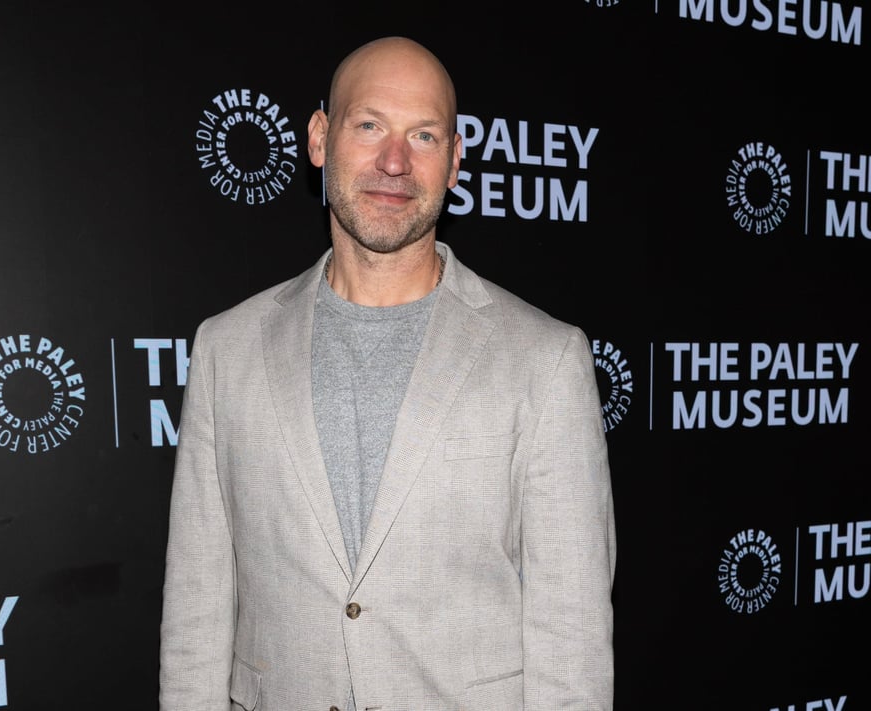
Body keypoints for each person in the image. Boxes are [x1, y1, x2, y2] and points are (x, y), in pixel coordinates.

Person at [159, 35, 616, 710]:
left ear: (456, 161)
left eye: (424, 136)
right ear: (319, 138)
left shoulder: (544, 361)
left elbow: (571, 639)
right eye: (369, 125)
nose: (394, 161)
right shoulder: (227, 349)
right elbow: (197, 612)